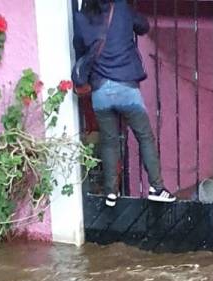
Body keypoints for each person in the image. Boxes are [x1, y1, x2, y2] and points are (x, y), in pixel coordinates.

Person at [74, 0, 175, 208]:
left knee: (109, 141)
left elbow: (80, 47)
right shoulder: (120, 7)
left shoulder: (81, 16)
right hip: (126, 88)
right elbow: (144, 26)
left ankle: (111, 193)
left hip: (100, 90)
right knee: (144, 136)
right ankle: (157, 188)